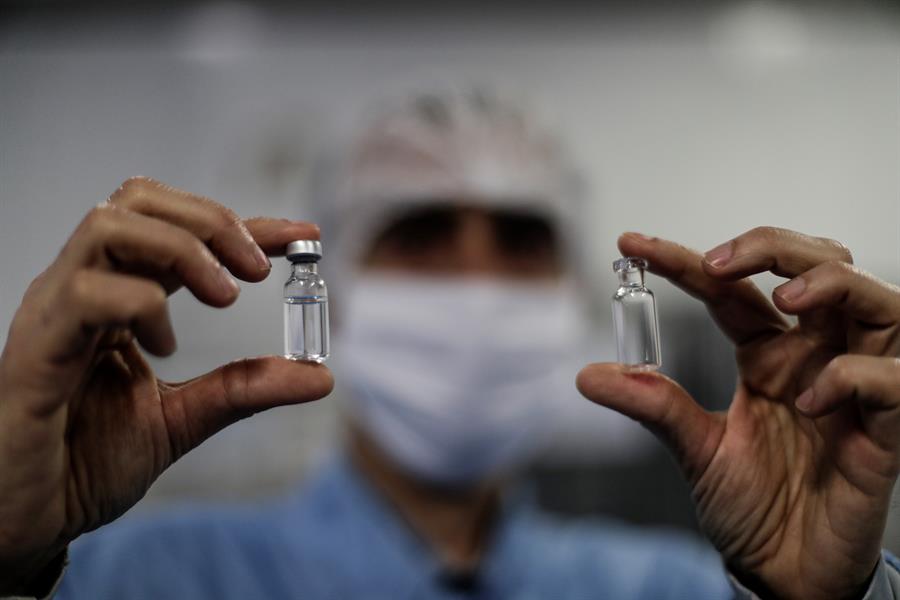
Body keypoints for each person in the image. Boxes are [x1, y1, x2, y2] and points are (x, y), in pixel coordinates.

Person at [1, 91, 899, 600]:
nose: (476, 282)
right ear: (340, 288)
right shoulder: (124, 579)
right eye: (422, 234)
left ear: (568, 294)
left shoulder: (683, 590)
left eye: (520, 241)